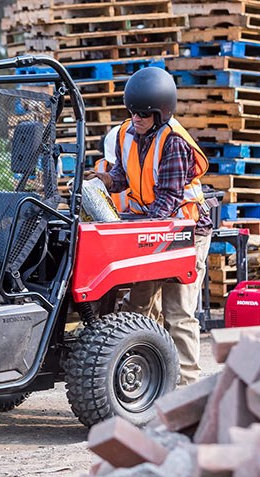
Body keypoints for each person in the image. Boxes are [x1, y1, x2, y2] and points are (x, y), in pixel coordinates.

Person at [84, 66, 211, 386]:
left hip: (186, 231)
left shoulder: (175, 144)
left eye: (143, 114)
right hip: (155, 227)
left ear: (162, 113)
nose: (136, 118)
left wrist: (131, 231)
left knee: (178, 312)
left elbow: (167, 201)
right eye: (132, 112)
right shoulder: (128, 134)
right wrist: (106, 181)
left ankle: (185, 388)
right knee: (138, 305)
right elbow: (125, 179)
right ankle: (146, 381)